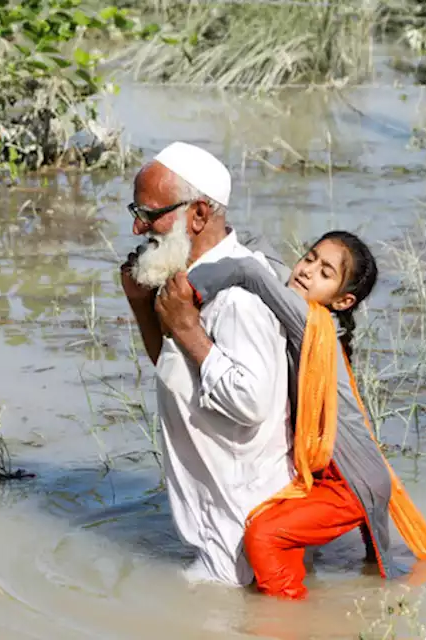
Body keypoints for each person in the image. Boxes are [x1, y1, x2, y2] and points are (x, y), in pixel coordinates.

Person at [178, 230, 426, 600]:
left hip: (348, 482)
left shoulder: (309, 323)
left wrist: (183, 293)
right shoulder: (318, 322)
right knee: (383, 579)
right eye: (309, 259)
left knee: (264, 533)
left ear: (343, 301)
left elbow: (251, 271)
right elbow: (267, 263)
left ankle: (288, 618)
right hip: (352, 475)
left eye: (325, 273)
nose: (307, 272)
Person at [118, 141, 295, 588]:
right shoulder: (187, 280)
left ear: (198, 215)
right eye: (134, 211)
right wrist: (144, 306)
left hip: (240, 543)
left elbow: (251, 401)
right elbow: (179, 370)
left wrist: (191, 332)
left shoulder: (238, 295)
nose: (139, 227)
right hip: (217, 535)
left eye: (150, 213)